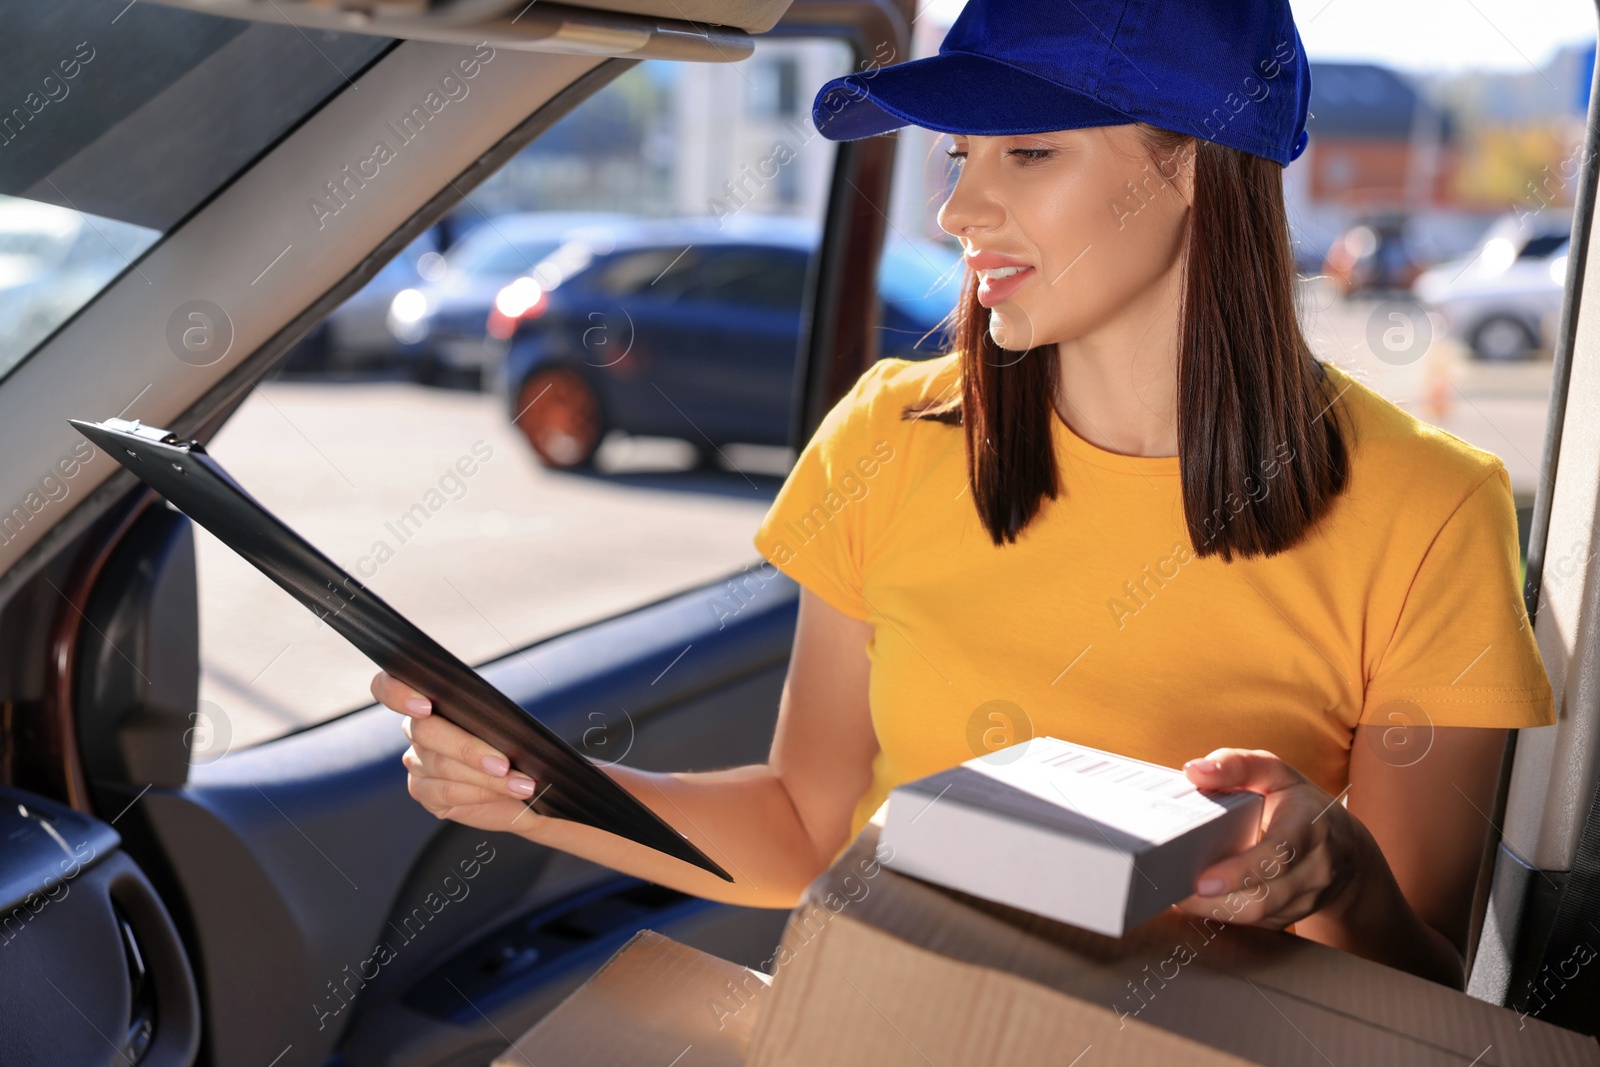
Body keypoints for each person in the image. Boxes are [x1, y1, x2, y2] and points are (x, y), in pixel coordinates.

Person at [370, 0, 1555, 989]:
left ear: (1191, 165)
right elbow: (806, 829)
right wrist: (534, 791)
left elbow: (1420, 986)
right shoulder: (890, 433)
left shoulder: (1429, 507)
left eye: (1026, 152)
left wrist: (1338, 877)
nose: (956, 212)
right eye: (959, 157)